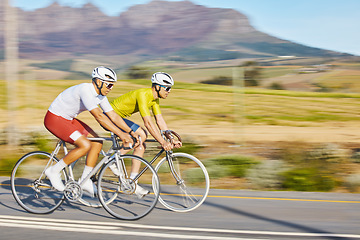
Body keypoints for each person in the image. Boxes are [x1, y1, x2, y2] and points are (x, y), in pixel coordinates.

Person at [44, 66, 138, 197]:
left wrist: (130, 131)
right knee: (85, 145)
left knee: (97, 142)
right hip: (55, 119)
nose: (111, 88)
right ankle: (53, 171)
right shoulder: (85, 90)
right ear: (99, 82)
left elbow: (113, 116)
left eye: (112, 86)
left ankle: (85, 179)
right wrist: (121, 134)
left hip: (68, 120)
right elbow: (99, 116)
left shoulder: (100, 95)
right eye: (109, 85)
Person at [109, 72, 182, 186]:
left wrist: (170, 138)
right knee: (142, 135)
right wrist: (162, 142)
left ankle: (133, 181)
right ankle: (112, 160)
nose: (169, 91)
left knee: (141, 145)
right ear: (157, 87)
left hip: (119, 118)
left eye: (170, 88)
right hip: (110, 117)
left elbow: (159, 120)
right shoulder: (143, 94)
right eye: (167, 88)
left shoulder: (154, 99)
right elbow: (148, 122)